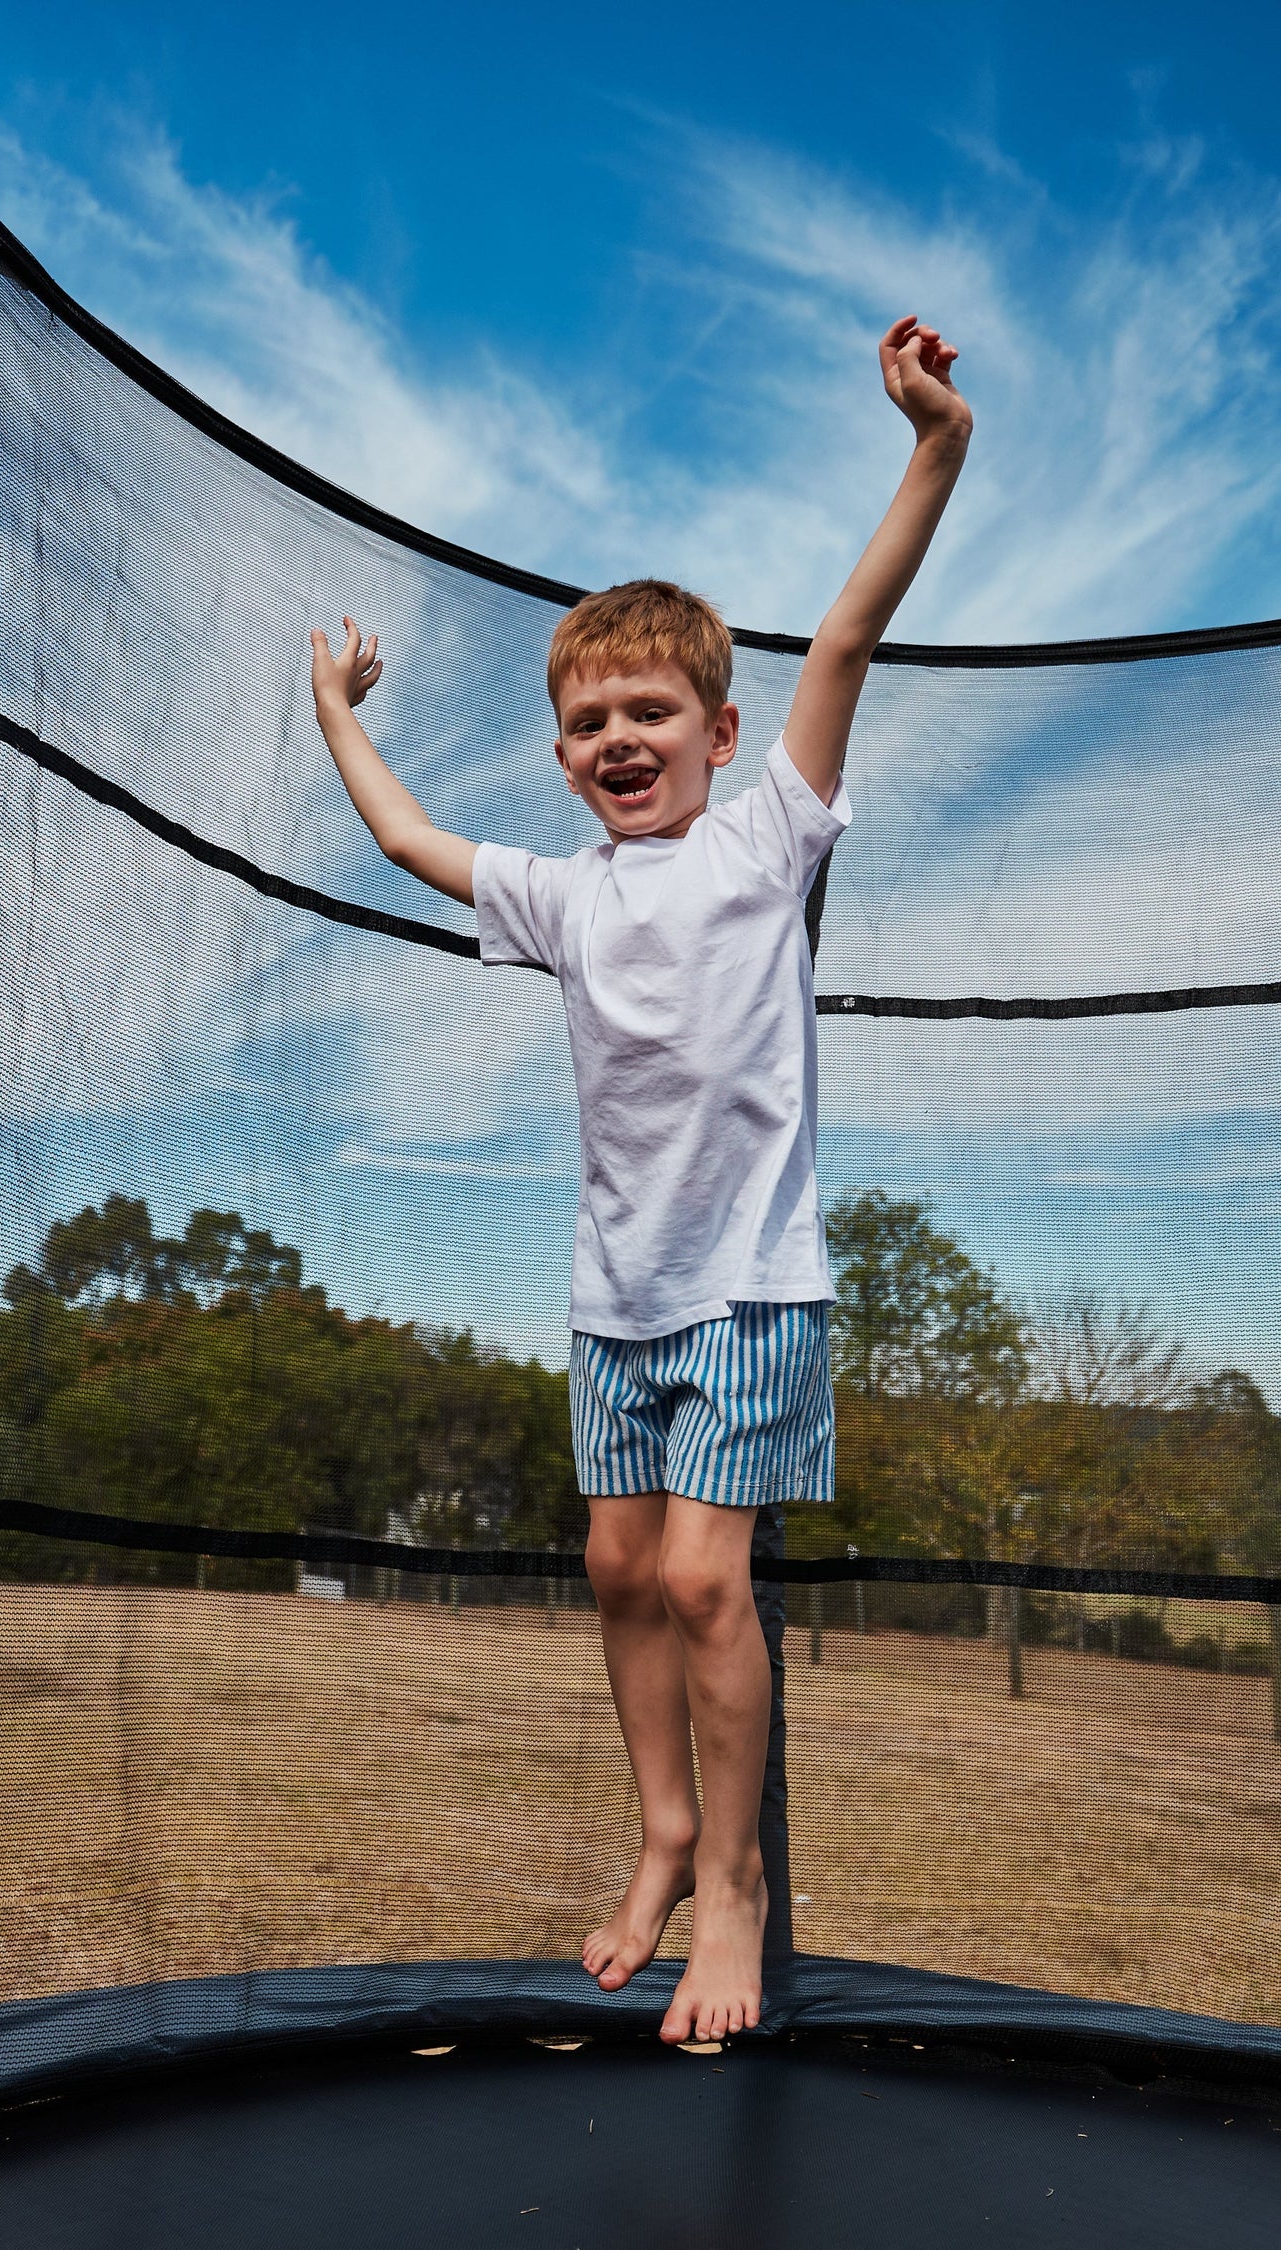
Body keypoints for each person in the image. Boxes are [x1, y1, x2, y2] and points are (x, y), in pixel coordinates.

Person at [310, 314, 972, 2045]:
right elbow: (404, 836)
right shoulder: (561, 896)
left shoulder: (766, 840)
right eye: (588, 717)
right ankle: (666, 1830)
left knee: (700, 1581)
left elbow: (849, 632)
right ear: (561, 753)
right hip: (615, 1302)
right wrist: (334, 715)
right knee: (616, 1571)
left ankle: (732, 1884)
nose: (618, 734)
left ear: (720, 729)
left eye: (651, 710)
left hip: (750, 1289)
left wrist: (933, 446)